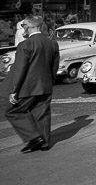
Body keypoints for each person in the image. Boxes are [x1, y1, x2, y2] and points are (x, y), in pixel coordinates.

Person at [5, 15, 60, 153]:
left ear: (33, 27)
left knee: (13, 112)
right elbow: (54, 66)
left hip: (28, 87)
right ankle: (44, 143)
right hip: (45, 85)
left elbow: (20, 68)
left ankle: (34, 137)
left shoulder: (25, 44)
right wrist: (51, 82)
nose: (24, 30)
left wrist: (14, 90)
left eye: (25, 27)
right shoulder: (52, 43)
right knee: (41, 113)